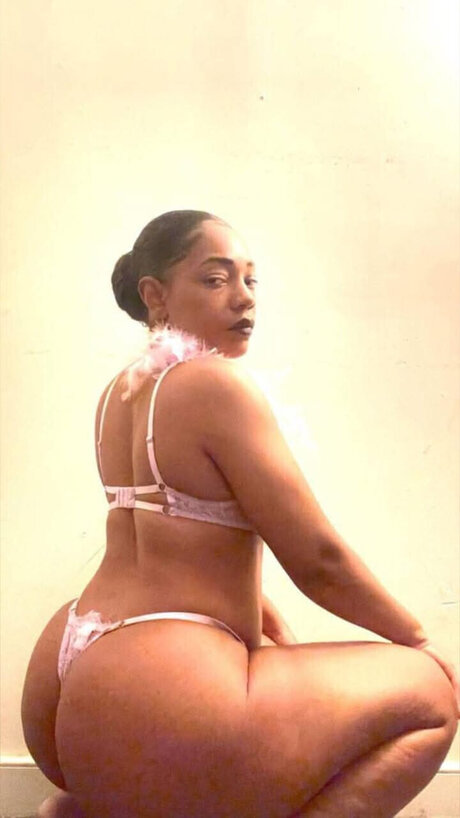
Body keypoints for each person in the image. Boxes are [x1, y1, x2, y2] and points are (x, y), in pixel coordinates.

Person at [21, 210, 458, 818]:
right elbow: (319, 560)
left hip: (71, 670)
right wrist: (420, 642)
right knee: (432, 696)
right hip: (154, 689)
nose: (243, 297)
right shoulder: (214, 385)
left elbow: (189, 548)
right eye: (215, 278)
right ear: (155, 295)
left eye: (251, 280)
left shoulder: (120, 393)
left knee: (272, 685)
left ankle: (93, 804)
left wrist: (279, 638)